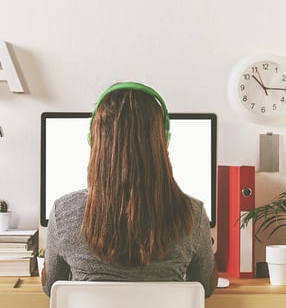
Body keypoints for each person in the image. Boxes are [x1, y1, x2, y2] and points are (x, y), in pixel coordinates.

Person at [41, 82, 217, 297]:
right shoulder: (192, 213)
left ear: (93, 140)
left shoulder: (64, 211)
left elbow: (51, 288)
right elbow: (206, 288)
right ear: (164, 140)